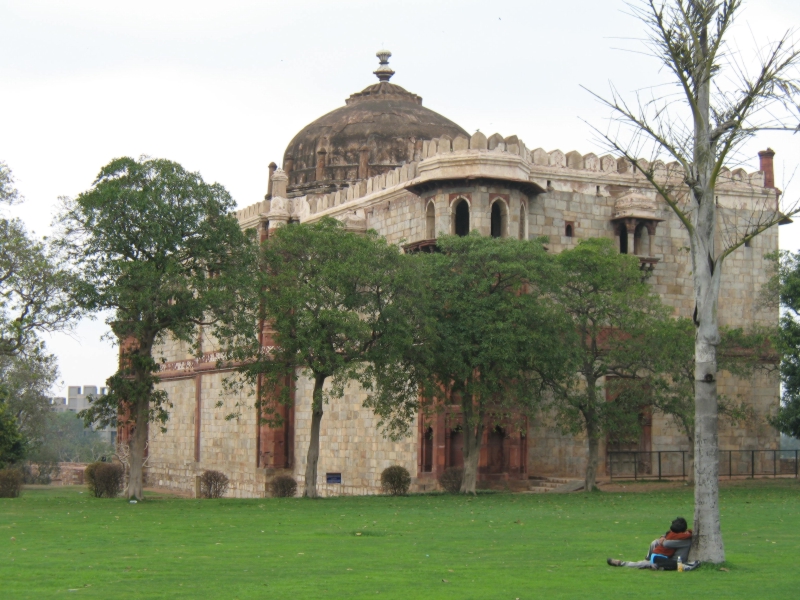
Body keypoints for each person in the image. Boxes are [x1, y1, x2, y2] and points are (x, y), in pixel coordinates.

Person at [607, 517, 700, 571]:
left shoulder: (684, 540)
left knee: (651, 563)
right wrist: (662, 537)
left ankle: (623, 563)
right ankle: (623, 563)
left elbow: (666, 543)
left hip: (674, 560)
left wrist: (664, 539)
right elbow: (668, 535)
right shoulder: (679, 535)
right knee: (653, 546)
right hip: (664, 557)